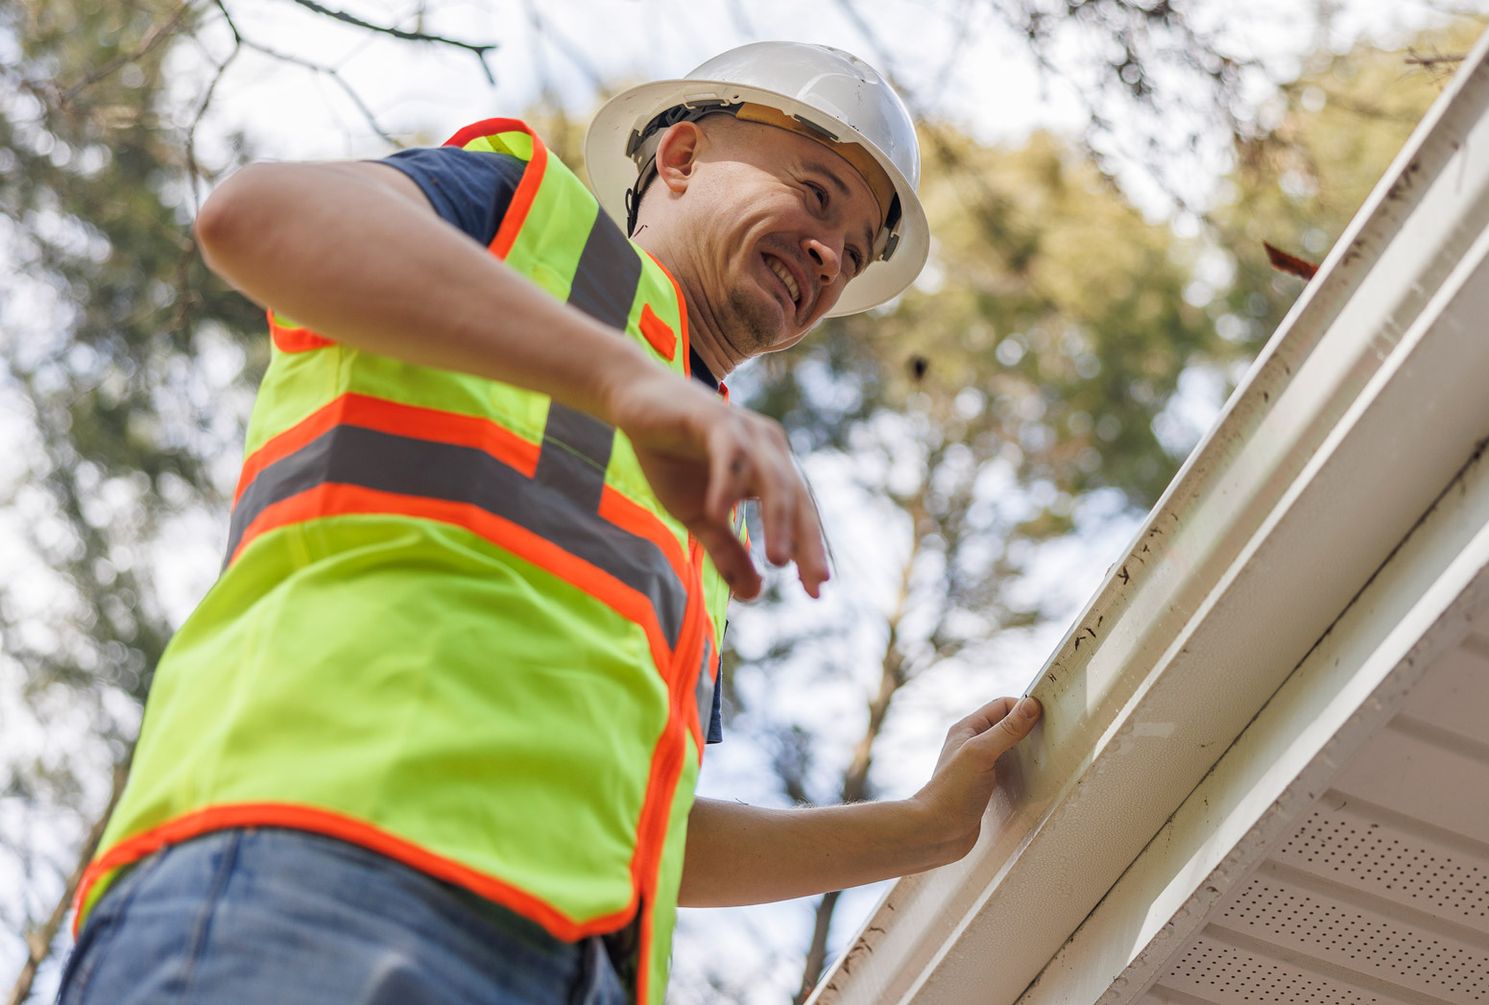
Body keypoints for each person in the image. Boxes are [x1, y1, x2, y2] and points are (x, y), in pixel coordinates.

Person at [57, 42, 1043, 1005]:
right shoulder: (524, 217)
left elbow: (649, 831)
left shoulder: (697, 500)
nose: (832, 255)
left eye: (858, 250)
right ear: (684, 158)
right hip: (316, 865)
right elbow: (260, 216)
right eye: (819, 194)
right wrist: (627, 383)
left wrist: (916, 831)